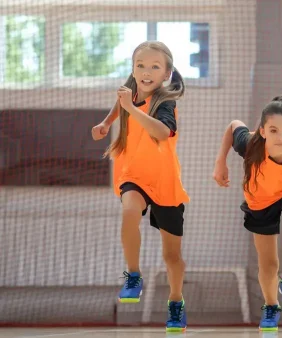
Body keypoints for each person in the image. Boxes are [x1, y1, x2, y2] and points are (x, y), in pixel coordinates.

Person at [91, 41, 188, 332]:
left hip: (165, 182)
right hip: (133, 175)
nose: (146, 71)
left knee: (172, 257)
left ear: (166, 73)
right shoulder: (129, 94)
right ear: (133, 70)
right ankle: (134, 275)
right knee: (129, 212)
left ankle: (176, 301)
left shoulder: (165, 102)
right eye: (140, 65)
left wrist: (130, 109)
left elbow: (161, 132)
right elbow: (119, 105)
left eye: (154, 67)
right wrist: (106, 123)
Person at [212, 82, 282, 331]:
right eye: (273, 130)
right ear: (262, 131)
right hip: (261, 198)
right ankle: (271, 306)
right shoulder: (249, 143)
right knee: (268, 261)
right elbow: (233, 125)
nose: (281, 137)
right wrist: (221, 162)